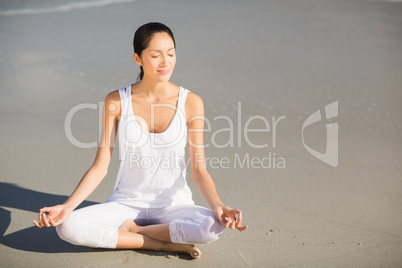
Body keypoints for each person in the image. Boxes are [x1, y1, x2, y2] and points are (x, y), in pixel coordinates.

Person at [33, 22, 247, 259]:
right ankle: (157, 243)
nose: (165, 62)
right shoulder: (116, 101)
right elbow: (100, 167)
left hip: (173, 205)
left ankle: (136, 232)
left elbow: (199, 170)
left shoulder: (191, 102)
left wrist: (218, 205)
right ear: (138, 58)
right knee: (67, 227)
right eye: (155, 55)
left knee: (213, 227)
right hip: (126, 203)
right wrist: (67, 206)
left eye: (171, 53)